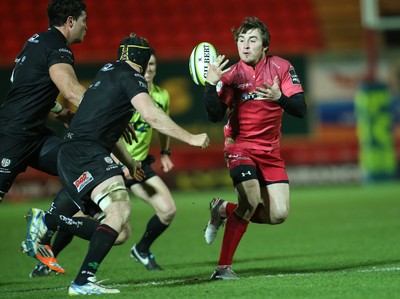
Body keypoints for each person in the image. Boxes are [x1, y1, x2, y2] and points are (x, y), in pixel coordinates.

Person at [22, 33, 210, 295]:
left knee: (119, 231)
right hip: (87, 153)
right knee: (120, 208)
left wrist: (131, 163)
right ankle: (57, 236)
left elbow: (111, 133)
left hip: (75, 153)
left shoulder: (107, 73)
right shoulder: (131, 76)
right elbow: (151, 115)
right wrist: (190, 137)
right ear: (141, 59)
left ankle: (58, 235)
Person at [202, 16, 307, 280]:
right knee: (249, 200)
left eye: (252, 40)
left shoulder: (282, 67)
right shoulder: (231, 75)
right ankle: (223, 268)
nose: (245, 45)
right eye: (241, 40)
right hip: (240, 147)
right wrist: (209, 84)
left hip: (270, 151)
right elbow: (215, 115)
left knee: (279, 214)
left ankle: (222, 208)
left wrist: (279, 98)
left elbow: (301, 109)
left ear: (265, 46)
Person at [121, 48, 177, 270]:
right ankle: (48, 255)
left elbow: (163, 126)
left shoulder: (162, 96)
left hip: (139, 166)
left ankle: (141, 249)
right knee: (86, 215)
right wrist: (120, 162)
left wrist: (165, 152)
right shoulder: (124, 93)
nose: (149, 69)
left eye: (152, 64)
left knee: (168, 210)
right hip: (113, 164)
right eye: (145, 64)